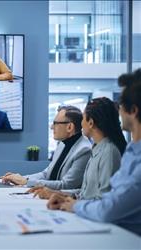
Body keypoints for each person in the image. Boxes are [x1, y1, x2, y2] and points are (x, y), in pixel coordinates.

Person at [47, 69, 141, 236]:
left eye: (121, 106)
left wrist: (74, 205)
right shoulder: (128, 151)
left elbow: (107, 204)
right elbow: (91, 194)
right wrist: (64, 197)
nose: (119, 112)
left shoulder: (110, 151)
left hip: (119, 234)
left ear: (133, 111)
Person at [31, 97, 126, 200]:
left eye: (83, 118)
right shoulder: (97, 148)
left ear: (91, 123)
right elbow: (85, 192)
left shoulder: (109, 152)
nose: (81, 124)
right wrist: (57, 194)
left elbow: (103, 200)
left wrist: (74, 205)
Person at [2, 105, 91, 189]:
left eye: (55, 123)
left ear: (69, 127)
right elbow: (46, 174)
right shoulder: (62, 144)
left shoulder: (84, 150)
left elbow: (66, 185)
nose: (52, 127)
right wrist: (19, 178)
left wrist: (26, 182)